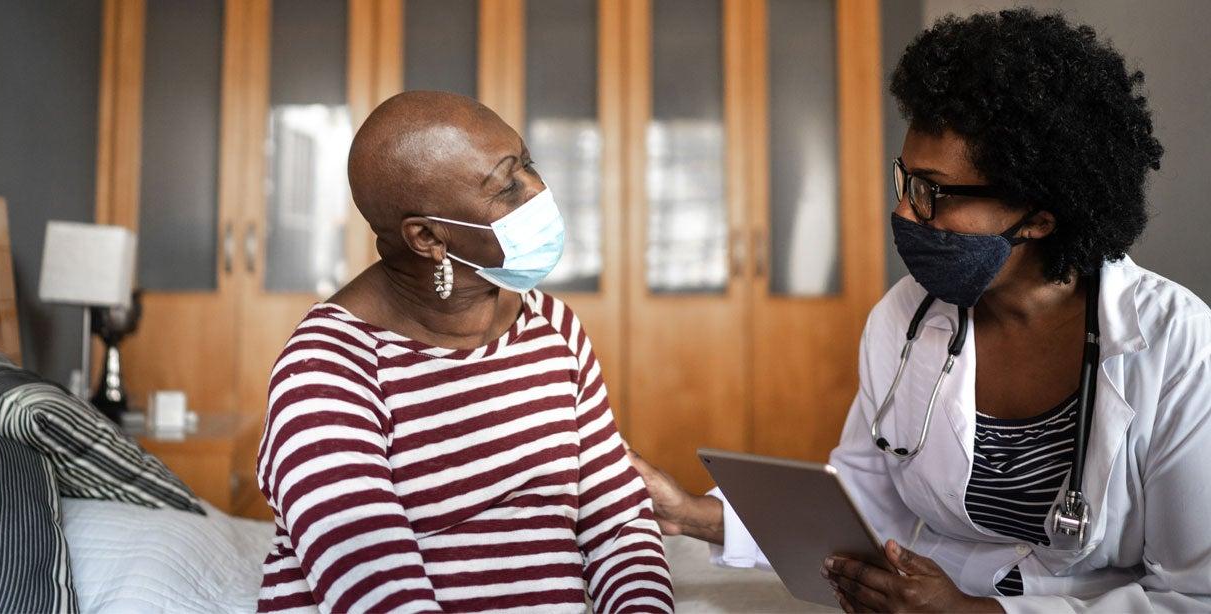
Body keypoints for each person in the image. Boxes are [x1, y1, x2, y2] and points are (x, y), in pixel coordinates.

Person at [629, 8, 1210, 613]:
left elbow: (1195, 594)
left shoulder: (1177, 346)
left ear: (1040, 215)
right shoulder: (904, 318)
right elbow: (861, 503)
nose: (906, 213)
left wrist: (973, 613)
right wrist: (693, 515)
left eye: (933, 193)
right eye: (905, 181)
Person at [255, 91, 674, 613]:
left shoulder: (555, 329)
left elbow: (618, 526)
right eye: (507, 186)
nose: (539, 191)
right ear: (429, 236)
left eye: (528, 164)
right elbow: (375, 588)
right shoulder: (326, 367)